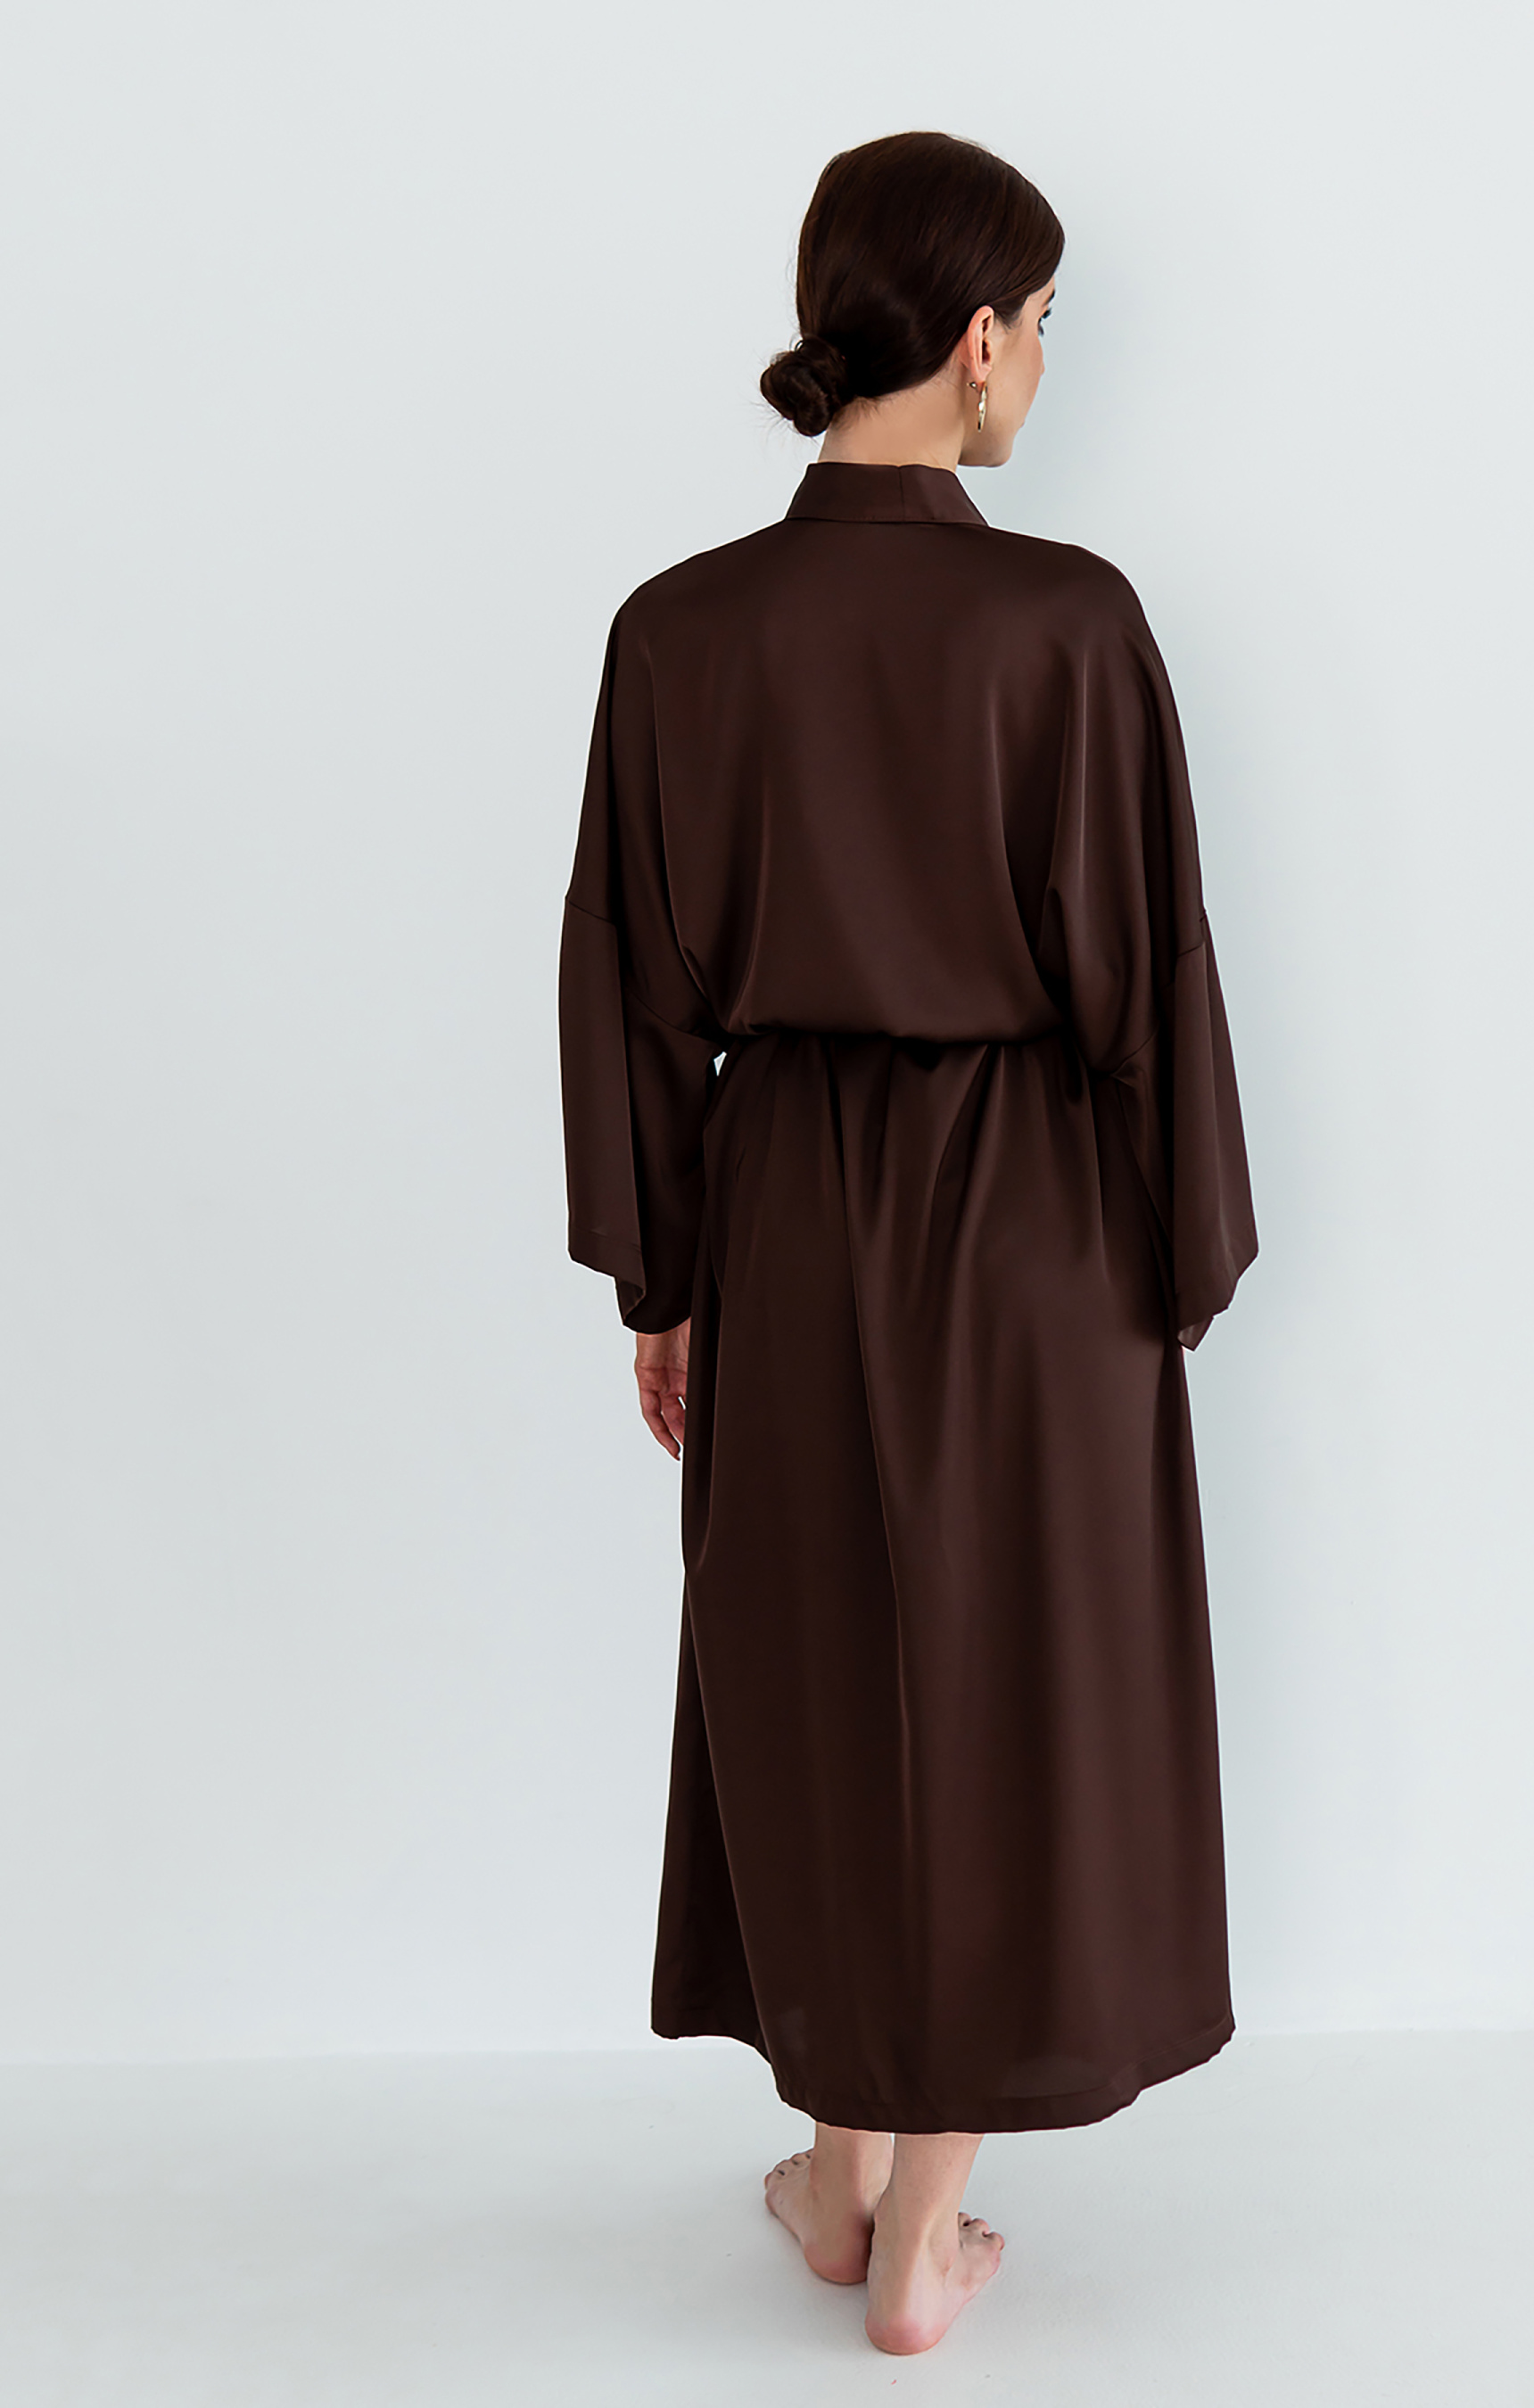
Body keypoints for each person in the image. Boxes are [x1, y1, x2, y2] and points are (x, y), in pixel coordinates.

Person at [558, 130, 1257, 2357]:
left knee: (811, 1664)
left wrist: (664, 1276)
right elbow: (1148, 977)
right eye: (1037, 324)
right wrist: (1179, 1259)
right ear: (972, 340)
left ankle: (841, 2174)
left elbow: (624, 985)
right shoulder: (1064, 621)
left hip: (779, 1205)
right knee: (1001, 1683)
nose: (1038, 363)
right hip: (1029, 1219)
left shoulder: (675, 632)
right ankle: (917, 2231)